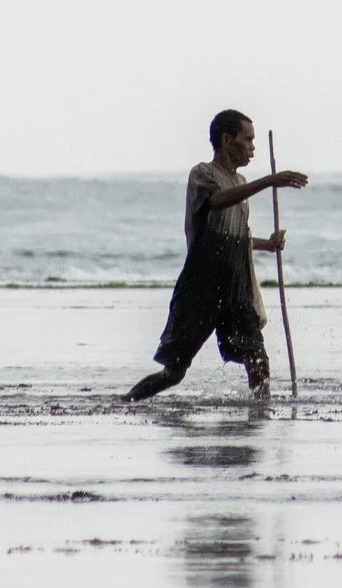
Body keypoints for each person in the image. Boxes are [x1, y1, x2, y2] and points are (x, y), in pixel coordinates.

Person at [126, 110, 305, 402]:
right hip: (202, 284)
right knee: (174, 372)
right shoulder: (203, 174)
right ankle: (127, 402)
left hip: (236, 285)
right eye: (247, 139)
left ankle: (259, 417)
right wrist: (269, 181)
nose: (253, 148)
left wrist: (267, 244)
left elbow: (236, 237)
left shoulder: (240, 180)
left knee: (257, 360)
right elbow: (216, 201)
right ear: (226, 140)